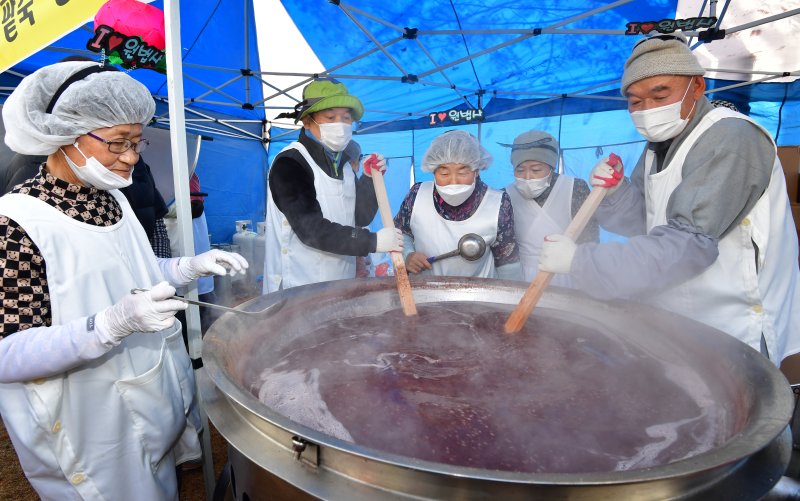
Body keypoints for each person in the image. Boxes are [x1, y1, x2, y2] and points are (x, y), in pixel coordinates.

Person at [0, 61, 248, 500]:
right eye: (118, 143)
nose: (132, 157)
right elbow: (8, 353)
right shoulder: (17, 223)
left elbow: (132, 269)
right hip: (82, 417)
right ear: (63, 136)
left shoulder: (110, 196)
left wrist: (188, 267)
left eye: (137, 142)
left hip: (142, 386)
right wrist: (110, 325)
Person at [538, 34, 800, 368]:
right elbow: (643, 224)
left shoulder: (730, 138)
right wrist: (617, 192)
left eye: (660, 94)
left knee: (747, 416)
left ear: (698, 86)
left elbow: (688, 244)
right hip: (681, 320)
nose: (648, 110)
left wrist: (582, 262)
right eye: (635, 101)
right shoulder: (657, 146)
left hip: (734, 324)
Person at [264, 78, 402, 292]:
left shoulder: (344, 164)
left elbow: (359, 217)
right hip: (300, 286)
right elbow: (311, 229)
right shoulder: (291, 162)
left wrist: (368, 180)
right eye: (330, 117)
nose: (340, 124)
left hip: (339, 283)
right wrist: (372, 241)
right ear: (308, 121)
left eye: (346, 118)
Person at [394, 130, 521, 279]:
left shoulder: (498, 202)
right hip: (424, 293)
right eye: (444, 174)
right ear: (433, 171)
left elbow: (507, 261)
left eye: (462, 173)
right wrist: (408, 254)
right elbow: (400, 232)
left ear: (477, 170)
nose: (453, 181)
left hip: (480, 296)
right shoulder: (417, 194)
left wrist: (509, 298)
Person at [503, 130, 598, 285]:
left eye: (536, 170)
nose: (527, 177)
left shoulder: (574, 188)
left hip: (566, 277)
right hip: (521, 280)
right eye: (520, 170)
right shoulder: (505, 196)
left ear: (551, 166)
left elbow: (590, 239)